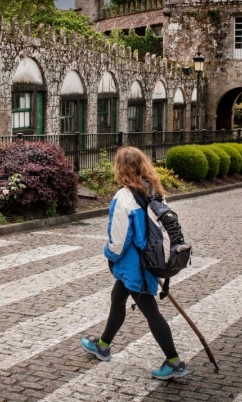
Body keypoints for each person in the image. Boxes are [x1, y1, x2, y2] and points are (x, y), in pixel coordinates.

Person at [80, 146, 189, 380]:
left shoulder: (124, 197)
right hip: (147, 260)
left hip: (133, 264)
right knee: (117, 298)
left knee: (151, 312)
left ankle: (175, 362)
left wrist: (109, 255)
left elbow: (118, 240)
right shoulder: (154, 191)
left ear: (120, 168)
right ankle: (103, 344)